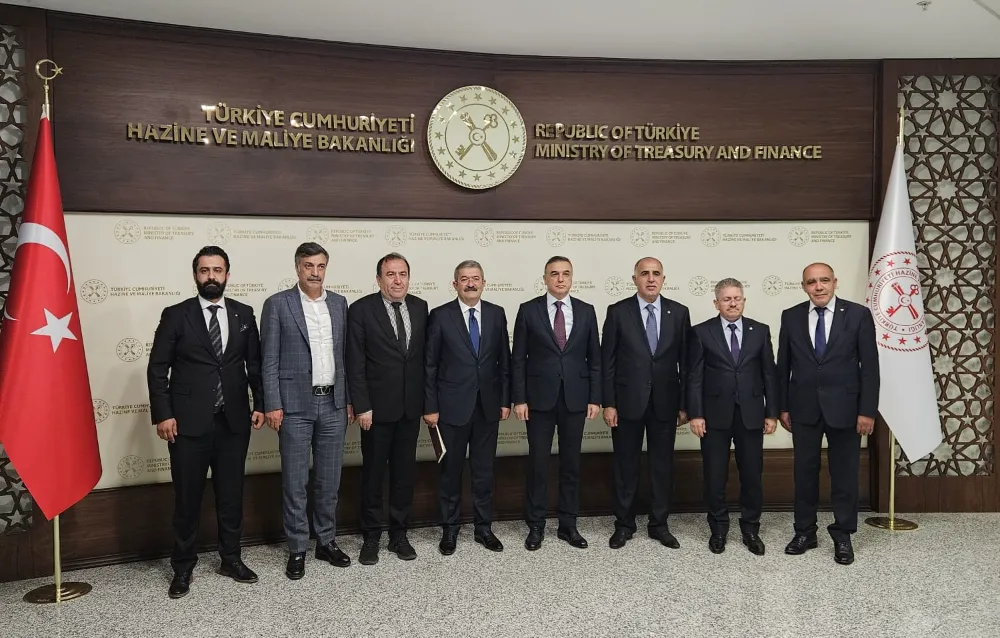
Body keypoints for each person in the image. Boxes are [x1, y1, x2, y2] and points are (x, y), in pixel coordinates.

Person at [147, 245, 265, 599]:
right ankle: (183, 567)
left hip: (233, 422)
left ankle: (231, 559)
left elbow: (254, 365)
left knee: (231, 495)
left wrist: (261, 403)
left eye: (217, 270)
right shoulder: (176, 315)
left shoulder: (244, 314)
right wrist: (163, 413)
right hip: (187, 425)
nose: (211, 276)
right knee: (188, 499)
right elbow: (157, 368)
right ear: (195, 275)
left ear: (227, 274)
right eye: (204, 270)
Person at [261, 242, 353, 580]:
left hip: (333, 403)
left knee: (329, 480)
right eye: (309, 266)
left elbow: (345, 357)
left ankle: (326, 541)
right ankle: (297, 547)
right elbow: (269, 360)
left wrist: (349, 399)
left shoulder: (339, 303)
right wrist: (273, 403)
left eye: (321, 266)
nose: (315, 272)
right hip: (294, 406)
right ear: (298, 268)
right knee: (295, 481)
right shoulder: (277, 304)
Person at [777, 262, 879, 565]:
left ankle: (843, 535)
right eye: (811, 282)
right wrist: (783, 406)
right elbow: (783, 366)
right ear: (804, 286)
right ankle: (804, 532)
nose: (818, 286)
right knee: (804, 473)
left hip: (846, 409)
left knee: (844, 474)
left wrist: (867, 411)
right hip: (803, 408)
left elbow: (870, 367)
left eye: (824, 280)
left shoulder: (858, 315)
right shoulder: (791, 316)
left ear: (835, 282)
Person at [511, 256, 600, 551]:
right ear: (545, 279)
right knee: (538, 464)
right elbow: (518, 359)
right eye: (554, 274)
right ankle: (536, 525)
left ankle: (568, 525)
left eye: (565, 274)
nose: (560, 279)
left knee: (571, 464)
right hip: (538, 399)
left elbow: (595, 358)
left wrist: (595, 397)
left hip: (575, 398)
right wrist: (520, 398)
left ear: (572, 278)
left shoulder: (586, 311)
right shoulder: (528, 310)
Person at [601, 257, 690, 550]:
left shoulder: (679, 312)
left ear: (664, 279)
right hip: (627, 402)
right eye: (644, 274)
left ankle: (659, 525)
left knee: (662, 467)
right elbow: (607, 362)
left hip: (666, 402)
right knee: (625, 466)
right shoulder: (618, 312)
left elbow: (687, 363)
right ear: (635, 279)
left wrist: (685, 404)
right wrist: (609, 403)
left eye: (656, 274)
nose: (651, 279)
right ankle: (624, 525)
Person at [424, 259, 511, 555]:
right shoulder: (440, 316)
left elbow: (504, 360)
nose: (470, 283)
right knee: (450, 472)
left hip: (487, 407)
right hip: (450, 409)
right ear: (455, 284)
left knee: (484, 471)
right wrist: (430, 406)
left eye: (475, 278)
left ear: (484, 283)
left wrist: (504, 400)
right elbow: (430, 365)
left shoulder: (497, 314)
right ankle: (449, 530)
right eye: (464, 279)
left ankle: (483, 528)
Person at [346, 252, 427, 565]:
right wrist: (362, 406)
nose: (397, 280)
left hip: (410, 409)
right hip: (375, 412)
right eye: (390, 274)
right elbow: (355, 362)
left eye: (402, 274)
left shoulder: (420, 307)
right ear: (379, 279)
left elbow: (423, 360)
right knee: (374, 475)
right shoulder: (361, 310)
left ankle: (399, 535)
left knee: (404, 475)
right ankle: (371, 537)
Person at [686, 278, 777, 556]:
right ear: (716, 303)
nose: (733, 303)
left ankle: (751, 529)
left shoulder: (760, 331)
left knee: (752, 475)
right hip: (714, 417)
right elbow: (694, 377)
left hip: (751, 415)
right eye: (727, 299)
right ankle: (718, 530)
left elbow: (769, 374)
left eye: (737, 298)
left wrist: (771, 413)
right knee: (715, 476)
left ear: (744, 300)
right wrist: (696, 414)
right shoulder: (701, 332)